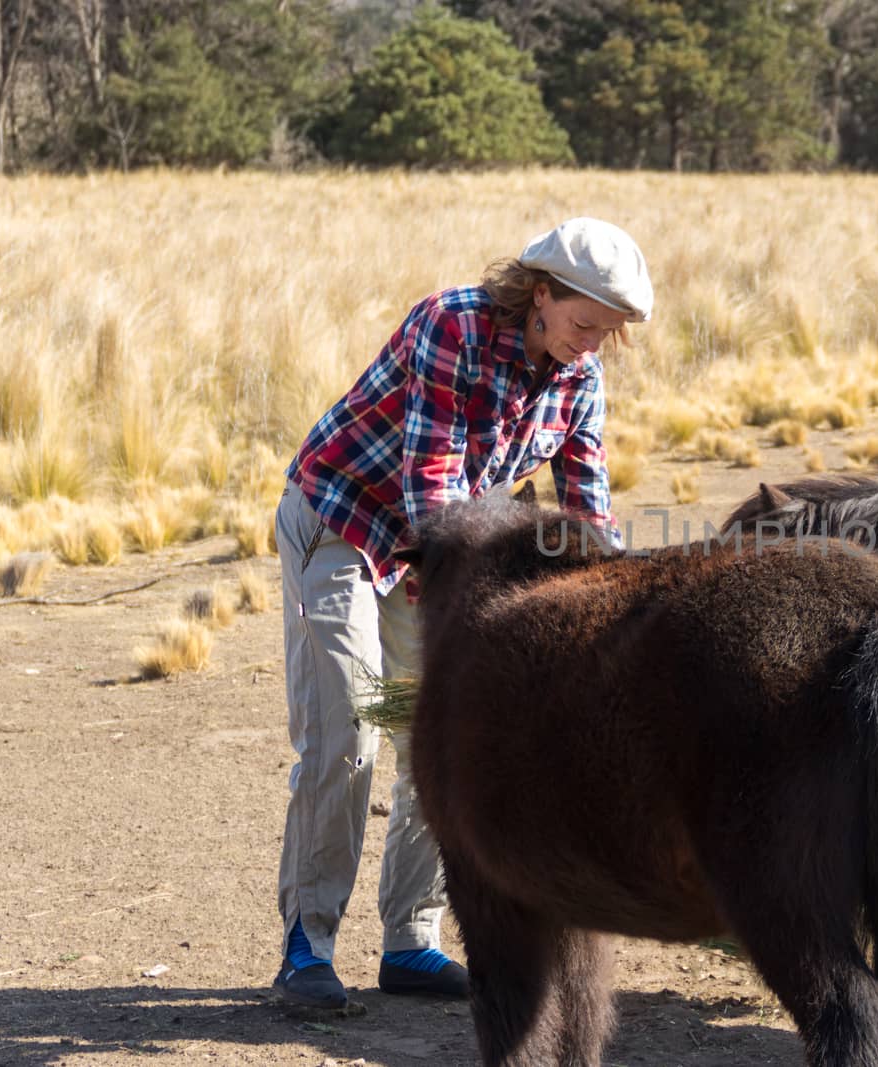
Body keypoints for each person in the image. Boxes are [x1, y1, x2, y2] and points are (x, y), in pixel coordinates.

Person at [271, 217, 651, 1009]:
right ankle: (308, 944)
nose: (592, 345)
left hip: (437, 551)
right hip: (344, 519)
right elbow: (434, 482)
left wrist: (613, 615)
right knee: (346, 727)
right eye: (585, 324)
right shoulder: (454, 325)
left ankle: (411, 940)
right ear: (539, 296)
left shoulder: (579, 380)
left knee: (445, 740)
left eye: (607, 334)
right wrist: (481, 611)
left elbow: (589, 510)